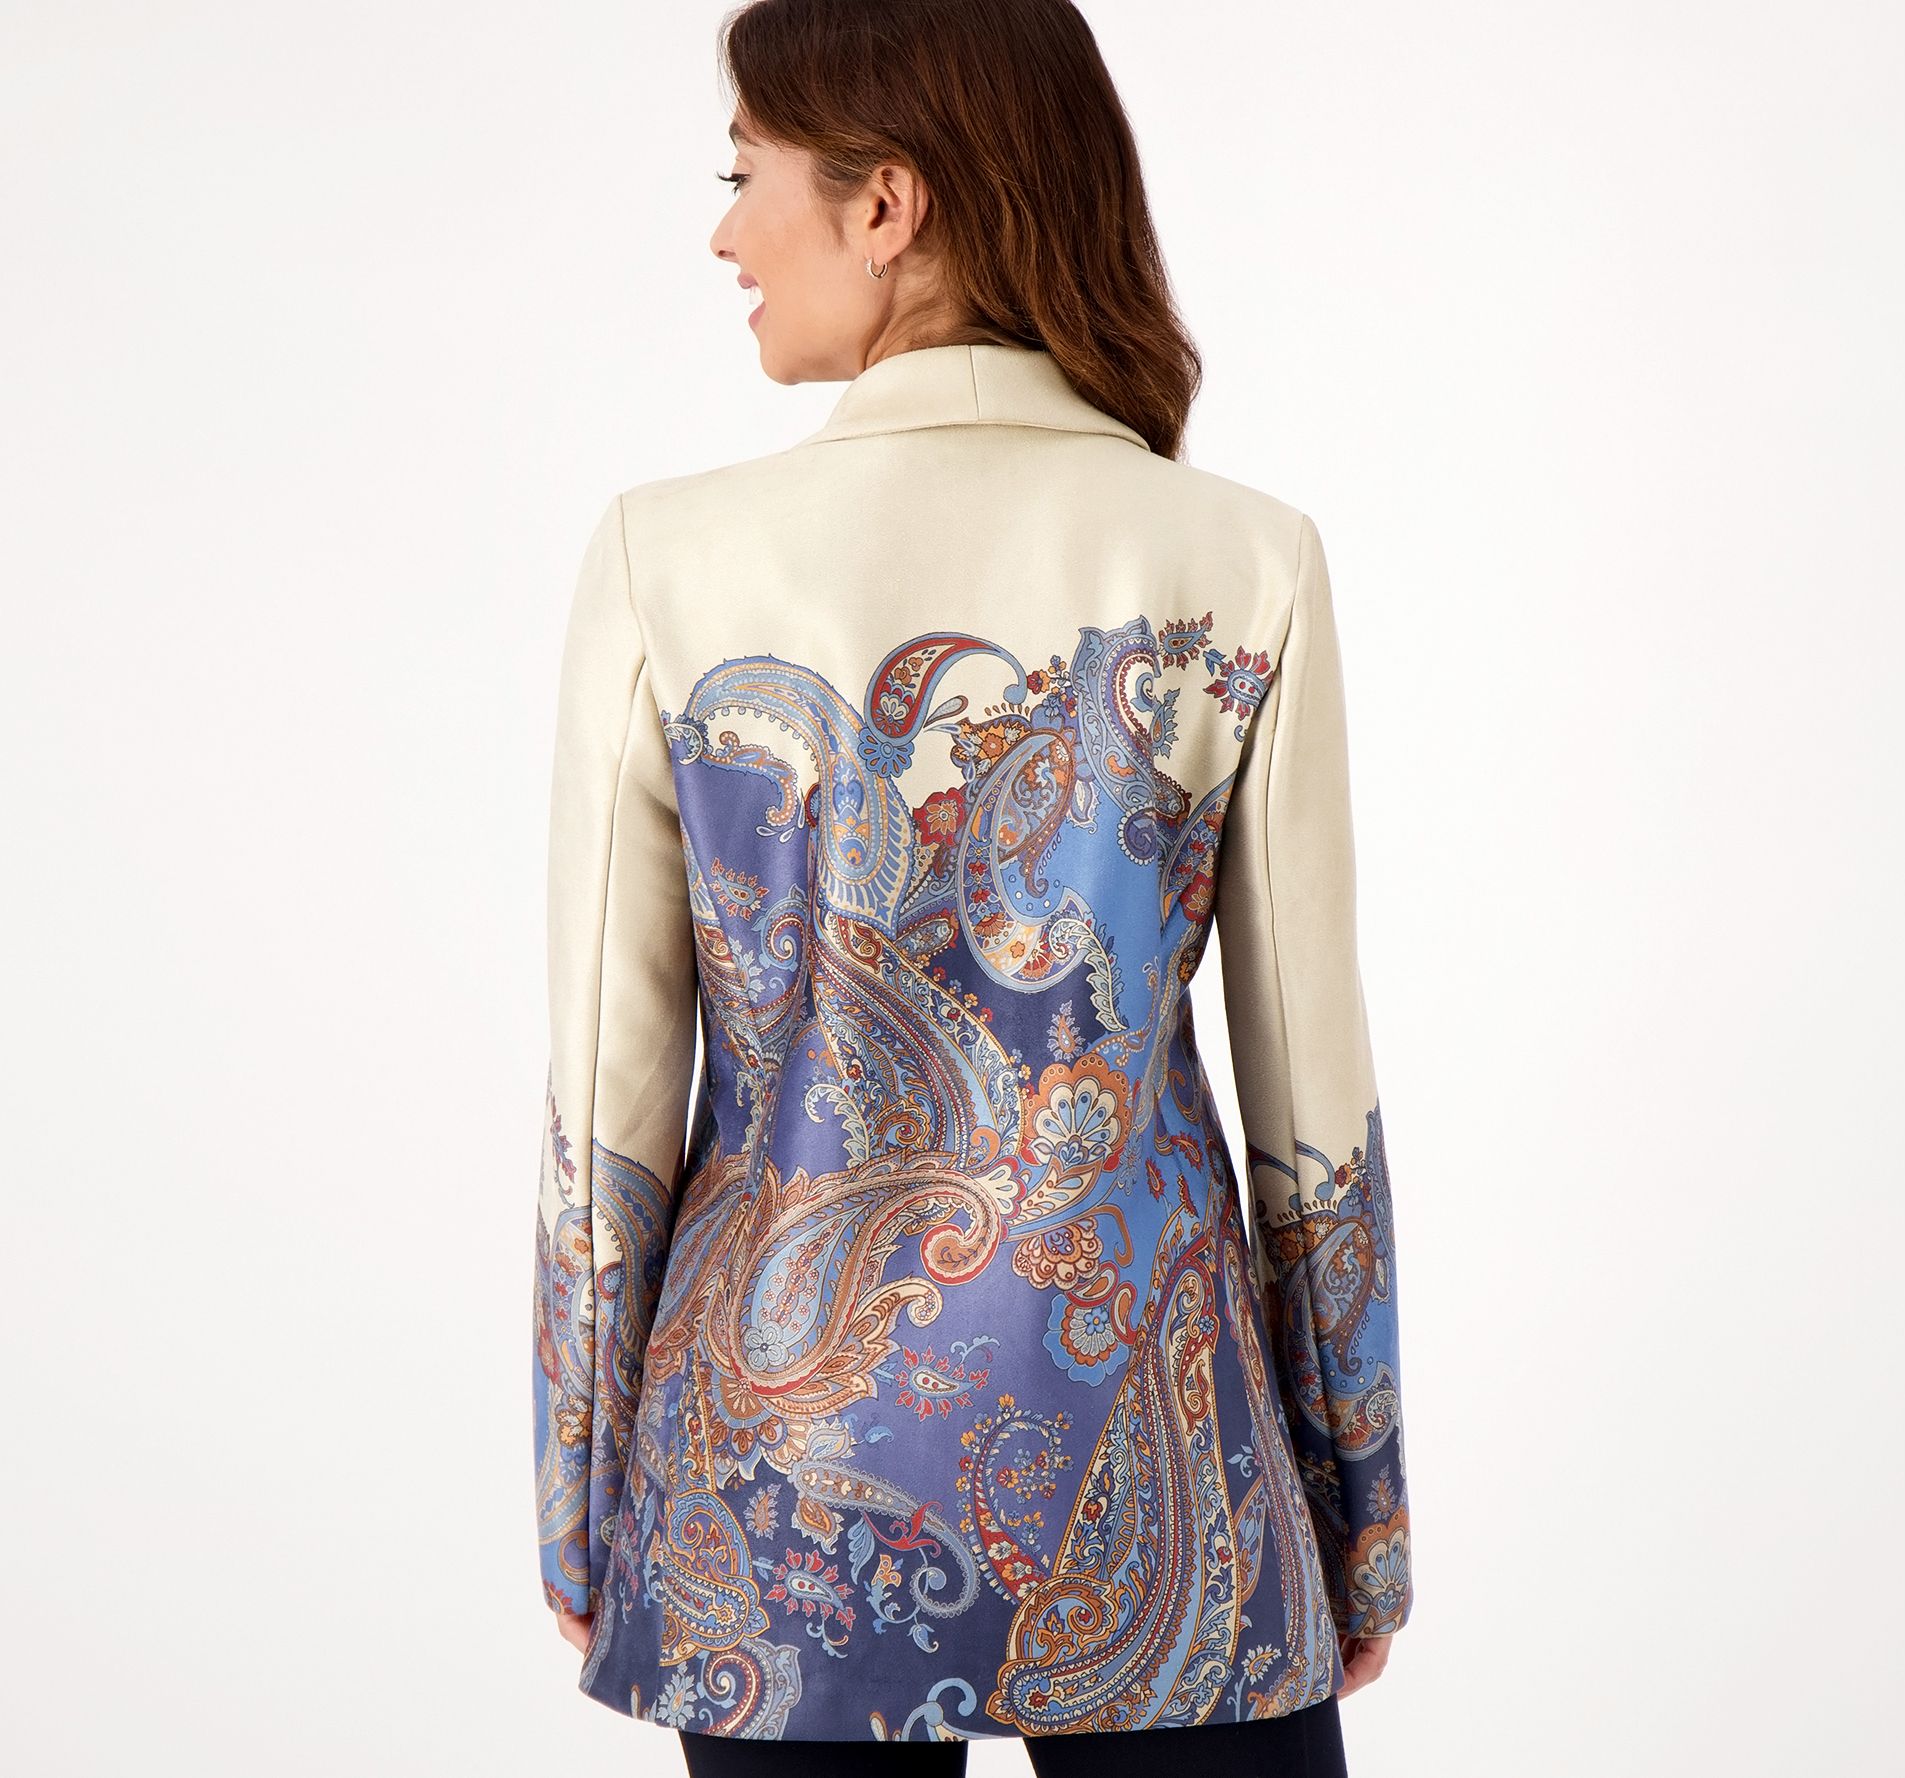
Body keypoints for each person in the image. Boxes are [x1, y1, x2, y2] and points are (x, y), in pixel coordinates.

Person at [528, 2, 1412, 1771]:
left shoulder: (663, 559)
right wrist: (1358, 1504)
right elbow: (1311, 1093)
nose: (724, 235)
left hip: (763, 1496)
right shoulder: (1244, 558)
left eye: (744, 175)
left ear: (887, 204)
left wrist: (586, 1491)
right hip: (1165, 1467)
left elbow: (607, 1096)